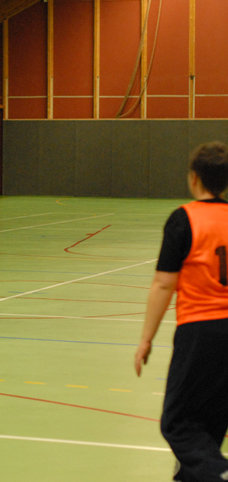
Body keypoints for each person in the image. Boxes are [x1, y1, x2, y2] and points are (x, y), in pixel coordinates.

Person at [135, 141, 228, 481]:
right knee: (211, 424)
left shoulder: (184, 219)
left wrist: (146, 339)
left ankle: (220, 472)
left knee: (177, 423)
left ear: (194, 178)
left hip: (200, 331)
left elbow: (163, 284)